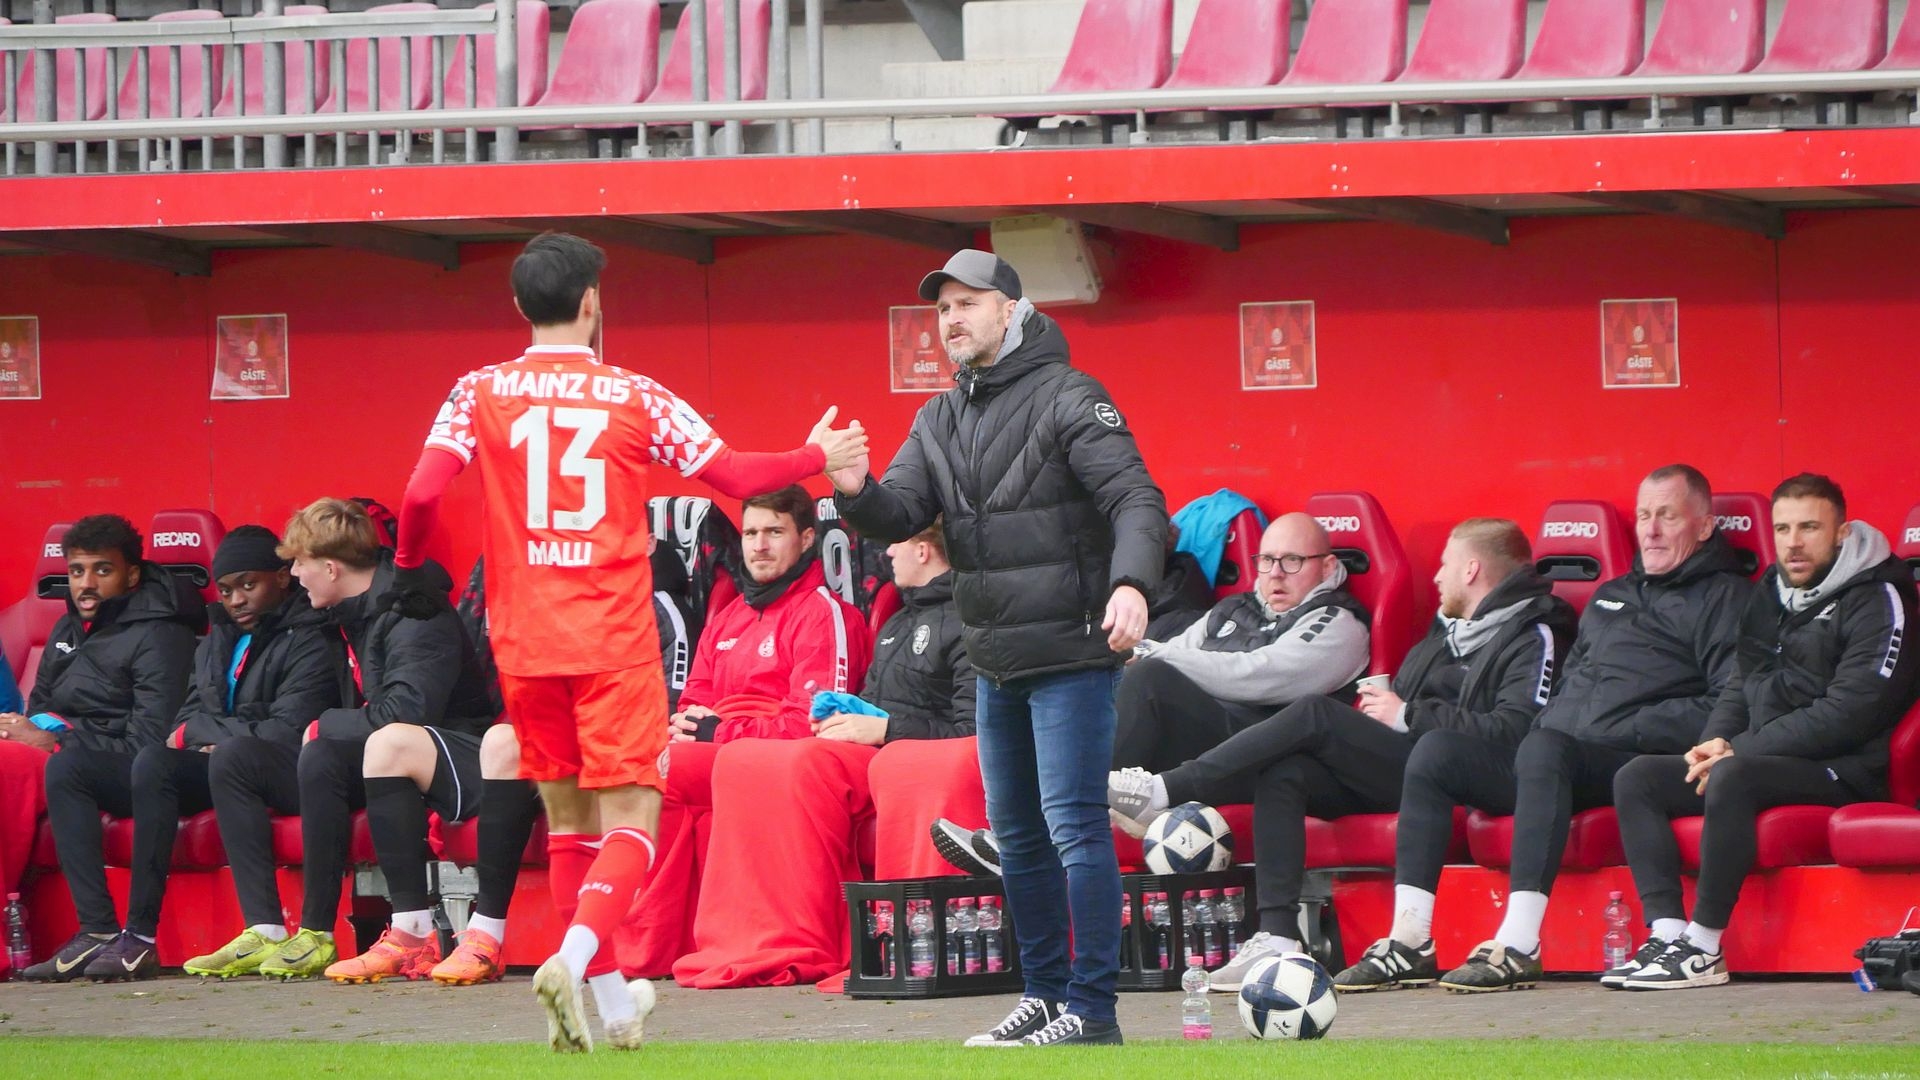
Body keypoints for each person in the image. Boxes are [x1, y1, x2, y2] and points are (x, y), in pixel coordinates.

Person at [387, 232, 867, 1052]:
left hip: (525, 640)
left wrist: (407, 565)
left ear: (519, 305)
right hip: (611, 636)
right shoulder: (632, 393)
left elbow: (422, 492)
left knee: (568, 823)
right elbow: (737, 477)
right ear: (591, 303)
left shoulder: (477, 390)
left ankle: (612, 1007)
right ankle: (573, 961)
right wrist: (818, 454)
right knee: (635, 818)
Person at [833, 249, 1168, 1047]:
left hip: (1072, 653)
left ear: (1011, 311)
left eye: (967, 303)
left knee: (1074, 828)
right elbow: (901, 510)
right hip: (995, 661)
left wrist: (1132, 585)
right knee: (1017, 838)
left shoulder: (1071, 395)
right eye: (942, 308)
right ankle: (1045, 998)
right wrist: (853, 489)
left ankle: (1093, 1011)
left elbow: (1137, 499)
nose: (951, 320)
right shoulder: (938, 417)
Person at [1335, 465, 1750, 994]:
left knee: (1546, 748)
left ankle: (1519, 943)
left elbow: (1723, 704)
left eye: (1667, 516)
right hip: (1557, 758)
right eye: (1644, 515)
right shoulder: (1611, 595)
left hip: (1629, 762)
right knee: (1438, 751)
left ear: (1705, 526)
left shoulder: (1727, 598)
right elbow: (1572, 687)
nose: (1650, 530)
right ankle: (1409, 939)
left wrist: (1618, 726)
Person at [1162, 520, 1578, 990]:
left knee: (1318, 713)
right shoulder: (1445, 632)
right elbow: (1406, 709)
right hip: (1413, 766)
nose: (1436, 576)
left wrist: (1409, 715)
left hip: (1470, 775)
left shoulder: (1536, 633)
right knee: (1287, 770)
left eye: (1444, 565)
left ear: (1471, 570)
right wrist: (1386, 714)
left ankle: (1171, 787)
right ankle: (1278, 937)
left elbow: (1516, 734)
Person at [1609, 474, 1919, 990]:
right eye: (1782, 529)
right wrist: (1713, 742)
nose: (1793, 542)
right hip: (1764, 758)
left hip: (1847, 770)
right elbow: (1740, 680)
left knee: (1733, 776)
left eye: (1809, 527)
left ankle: (1704, 947)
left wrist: (1737, 751)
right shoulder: (1771, 591)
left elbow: (1850, 712)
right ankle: (1667, 935)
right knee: (1638, 778)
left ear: (1842, 533)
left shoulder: (1879, 597)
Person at [181, 499, 493, 982]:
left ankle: (378, 932)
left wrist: (320, 725)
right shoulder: (337, 616)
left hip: (451, 758)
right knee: (238, 759)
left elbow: (406, 716)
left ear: (330, 568)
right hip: (378, 757)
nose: (294, 575)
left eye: (299, 563)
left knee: (325, 750)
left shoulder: (414, 609)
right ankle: (278, 931)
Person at [668, 519, 972, 989]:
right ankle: (764, 942)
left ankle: (826, 941)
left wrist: (886, 729)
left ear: (923, 551)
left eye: (896, 544)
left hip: (911, 755)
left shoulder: (970, 621)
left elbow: (972, 727)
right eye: (750, 534)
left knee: (803, 760)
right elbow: (876, 705)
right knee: (750, 760)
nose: (887, 554)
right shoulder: (896, 623)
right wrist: (843, 716)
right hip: (877, 751)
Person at [28, 526, 338, 983]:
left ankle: (200, 930)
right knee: (94, 766)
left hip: (280, 769)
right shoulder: (217, 637)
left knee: (210, 756)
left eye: (248, 585)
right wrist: (202, 734)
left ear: (281, 577)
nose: (236, 600)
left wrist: (207, 734)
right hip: (216, 765)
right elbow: (182, 722)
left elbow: (288, 728)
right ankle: (115, 933)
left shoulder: (310, 636)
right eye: (226, 590)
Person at [622, 486, 871, 979]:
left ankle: (743, 942)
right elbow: (694, 701)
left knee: (702, 766)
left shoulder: (824, 614)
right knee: (647, 771)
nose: (759, 546)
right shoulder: (729, 616)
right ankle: (644, 951)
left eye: (774, 532)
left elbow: (813, 723)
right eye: (751, 533)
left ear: (805, 539)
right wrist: (688, 729)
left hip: (777, 757)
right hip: (721, 748)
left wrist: (721, 733)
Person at [425, 543, 698, 987]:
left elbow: (671, 702)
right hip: (574, 749)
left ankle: (583, 962)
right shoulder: (564, 608)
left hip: (631, 746)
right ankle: (486, 932)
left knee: (592, 807)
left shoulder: (661, 609)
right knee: (503, 743)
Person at [12, 515, 200, 982]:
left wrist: (57, 739)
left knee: (67, 768)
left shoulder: (161, 634)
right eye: (77, 571)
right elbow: (40, 708)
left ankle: (101, 929)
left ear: (131, 574)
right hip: (74, 758)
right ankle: (84, 931)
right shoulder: (66, 629)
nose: (86, 584)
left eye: (102, 570)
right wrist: (33, 733)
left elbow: (149, 740)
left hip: (142, 772)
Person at [1106, 512, 1372, 827]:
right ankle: (1093, 799)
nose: (1276, 574)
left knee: (1151, 677)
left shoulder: (1339, 623)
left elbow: (1261, 675)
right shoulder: (1231, 608)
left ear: (1326, 567)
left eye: (1292, 561)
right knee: (1126, 680)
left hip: (1267, 756)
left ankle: (1095, 805)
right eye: (1267, 560)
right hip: (1208, 745)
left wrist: (1156, 653)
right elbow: (1173, 653)